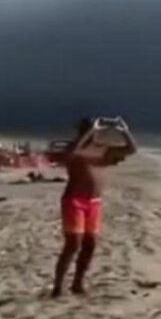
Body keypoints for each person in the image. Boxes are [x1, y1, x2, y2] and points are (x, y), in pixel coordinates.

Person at [53, 117, 137, 298]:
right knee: (73, 244)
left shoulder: (102, 150)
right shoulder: (75, 149)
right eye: (89, 130)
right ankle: (58, 287)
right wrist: (91, 131)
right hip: (74, 200)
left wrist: (124, 130)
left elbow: (132, 150)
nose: (93, 133)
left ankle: (77, 283)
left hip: (94, 202)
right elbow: (74, 152)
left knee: (90, 244)